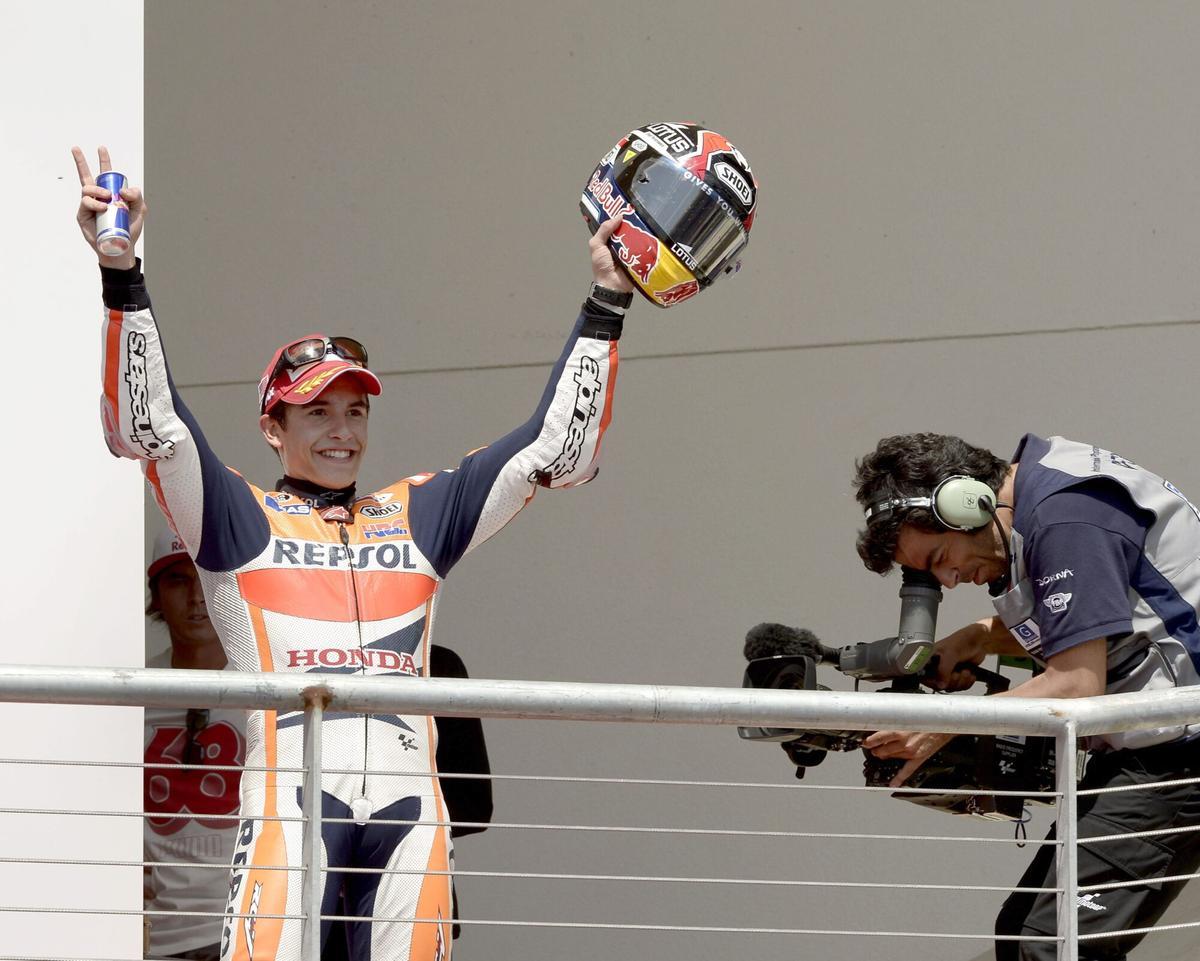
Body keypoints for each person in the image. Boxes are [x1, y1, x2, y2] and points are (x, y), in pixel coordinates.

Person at [74, 144, 634, 961]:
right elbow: (150, 426)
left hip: (414, 810)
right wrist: (121, 275)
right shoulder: (236, 516)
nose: (341, 432)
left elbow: (555, 449)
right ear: (273, 428)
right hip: (291, 806)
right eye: (316, 414)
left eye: (354, 411)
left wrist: (609, 298)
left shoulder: (419, 512)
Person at [853, 431, 1200, 960]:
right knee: (1021, 935)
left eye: (941, 556)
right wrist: (977, 637)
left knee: (1051, 947)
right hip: (1155, 743)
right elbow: (1093, 617)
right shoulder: (1038, 498)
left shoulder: (1067, 519)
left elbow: (1078, 685)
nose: (947, 580)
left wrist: (942, 725)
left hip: (1182, 748)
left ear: (965, 502)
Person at [144, 527, 246, 960]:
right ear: (157, 597)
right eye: (178, 580)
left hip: (247, 928)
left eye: (207, 579)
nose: (196, 596)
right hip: (154, 936)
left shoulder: (268, 687)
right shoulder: (131, 691)